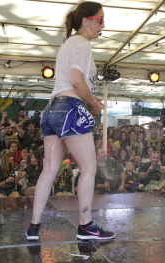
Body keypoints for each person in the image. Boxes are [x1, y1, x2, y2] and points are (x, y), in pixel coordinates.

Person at [26, 2, 114, 241]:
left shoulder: (68, 44)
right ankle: (85, 226)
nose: (103, 25)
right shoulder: (82, 44)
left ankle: (34, 228)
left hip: (52, 108)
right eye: (101, 20)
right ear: (86, 20)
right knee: (88, 168)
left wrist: (90, 97)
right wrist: (93, 104)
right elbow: (76, 81)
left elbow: (69, 83)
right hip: (69, 110)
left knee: (49, 170)